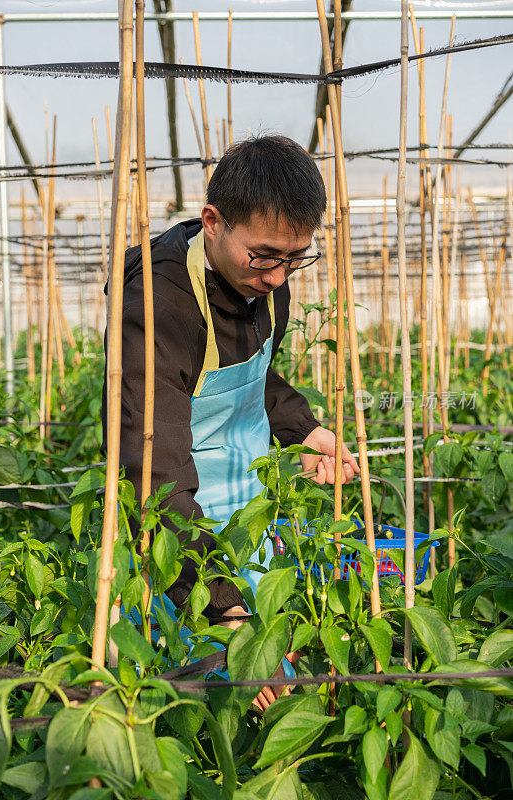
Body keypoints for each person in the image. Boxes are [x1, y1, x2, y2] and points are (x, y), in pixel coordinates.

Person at [102, 135, 359, 709]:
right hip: (176, 535)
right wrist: (230, 612)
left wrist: (304, 429)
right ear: (212, 221)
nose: (277, 276)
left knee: (269, 690)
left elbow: (256, 377)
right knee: (192, 703)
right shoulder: (159, 304)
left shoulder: (268, 285)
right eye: (265, 255)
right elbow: (154, 473)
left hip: (249, 503)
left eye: (295, 258)